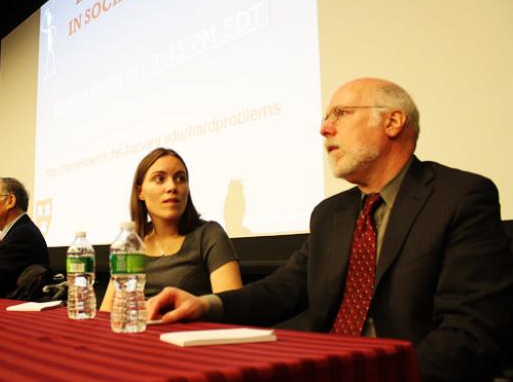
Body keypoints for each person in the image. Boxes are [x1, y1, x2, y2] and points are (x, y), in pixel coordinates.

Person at [146, 78, 513, 382]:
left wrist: (380, 375)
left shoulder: (460, 197)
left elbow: (469, 334)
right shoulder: (330, 214)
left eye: (341, 113)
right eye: (326, 117)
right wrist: (205, 303)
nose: (324, 128)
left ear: (393, 122)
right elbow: (281, 290)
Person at [100, 148, 242, 311]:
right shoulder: (131, 243)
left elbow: (234, 309)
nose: (172, 187)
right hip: (136, 331)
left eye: (180, 178)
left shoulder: (209, 234)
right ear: (140, 192)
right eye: (160, 179)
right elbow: (106, 311)